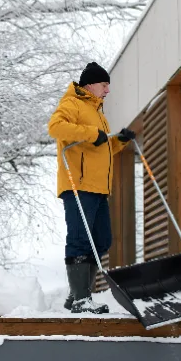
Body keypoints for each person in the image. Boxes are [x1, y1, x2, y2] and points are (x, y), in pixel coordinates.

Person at [48, 61, 135, 314]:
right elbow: (55, 127)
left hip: (99, 188)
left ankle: (76, 295)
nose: (108, 90)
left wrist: (120, 140)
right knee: (80, 239)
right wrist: (89, 132)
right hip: (78, 185)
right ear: (90, 85)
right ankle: (81, 299)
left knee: (102, 240)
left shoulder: (98, 112)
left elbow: (101, 146)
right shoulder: (72, 103)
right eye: (104, 85)